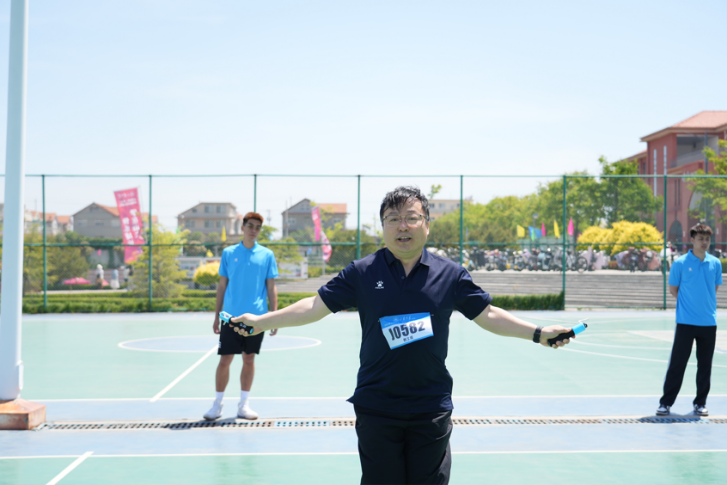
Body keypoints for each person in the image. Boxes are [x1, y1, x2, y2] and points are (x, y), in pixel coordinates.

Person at [231, 187, 575, 485]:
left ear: (427, 224)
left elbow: (488, 314)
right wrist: (262, 321)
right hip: (377, 406)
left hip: (430, 407)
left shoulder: (449, 274)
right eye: (393, 219)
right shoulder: (363, 272)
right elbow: (315, 305)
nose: (402, 226)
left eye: (411, 218)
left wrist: (538, 333)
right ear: (383, 227)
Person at [203, 212, 279, 421]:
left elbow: (271, 287)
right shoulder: (229, 253)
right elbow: (222, 285)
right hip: (231, 317)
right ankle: (217, 404)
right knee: (225, 359)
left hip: (257, 318)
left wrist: (274, 315)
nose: (254, 230)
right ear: (243, 227)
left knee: (249, 359)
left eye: (257, 227)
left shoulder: (267, 255)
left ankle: (244, 405)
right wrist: (216, 316)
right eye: (250, 226)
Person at [657, 223, 722, 417]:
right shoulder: (680, 263)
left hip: (708, 323)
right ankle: (665, 403)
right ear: (692, 240)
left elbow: (714, 289)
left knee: (705, 366)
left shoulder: (715, 263)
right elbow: (673, 290)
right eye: (701, 239)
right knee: (677, 364)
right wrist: (689, 305)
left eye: (707, 239)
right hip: (685, 322)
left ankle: (700, 404)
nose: (704, 242)